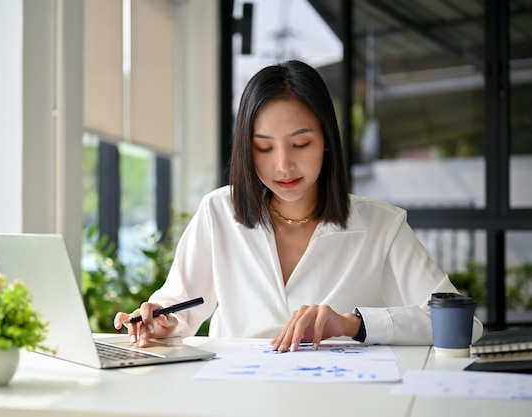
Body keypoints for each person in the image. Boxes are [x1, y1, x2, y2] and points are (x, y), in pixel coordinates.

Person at [114, 59, 484, 352]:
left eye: (301, 143)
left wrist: (351, 323)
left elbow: (463, 325)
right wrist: (158, 321)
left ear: (326, 141)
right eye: (263, 147)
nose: (283, 165)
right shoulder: (218, 213)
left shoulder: (381, 225)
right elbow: (179, 306)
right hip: (235, 400)